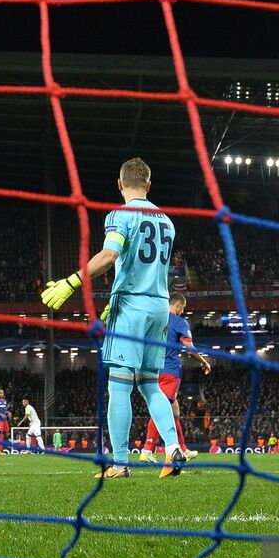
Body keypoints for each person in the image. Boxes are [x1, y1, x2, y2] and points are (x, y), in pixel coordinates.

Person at [40, 158, 185, 478]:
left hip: (131, 308)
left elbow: (110, 256)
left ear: (120, 184)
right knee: (149, 384)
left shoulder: (121, 215)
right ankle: (173, 448)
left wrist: (70, 282)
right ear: (149, 184)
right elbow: (146, 267)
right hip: (159, 307)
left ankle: (120, 464)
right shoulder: (167, 221)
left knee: (119, 386)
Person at [138, 292, 210, 463]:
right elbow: (189, 348)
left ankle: (183, 448)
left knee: (174, 410)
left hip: (152, 369)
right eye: (182, 308)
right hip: (170, 371)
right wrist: (204, 362)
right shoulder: (179, 322)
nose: (182, 311)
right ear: (178, 304)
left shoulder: (156, 319)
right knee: (161, 409)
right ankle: (147, 449)